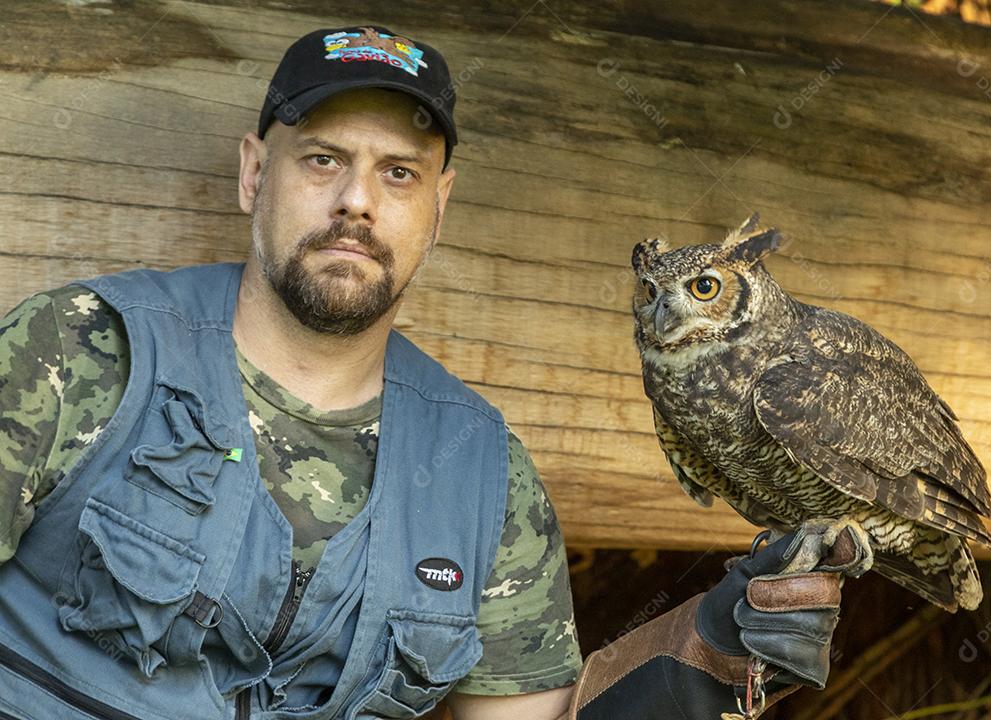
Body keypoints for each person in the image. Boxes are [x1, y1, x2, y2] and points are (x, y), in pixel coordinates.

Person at [0, 25, 855, 720]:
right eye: (324, 159)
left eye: (398, 174)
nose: (357, 203)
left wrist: (704, 656)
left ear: (438, 208)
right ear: (255, 172)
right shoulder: (80, 351)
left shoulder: (481, 475)